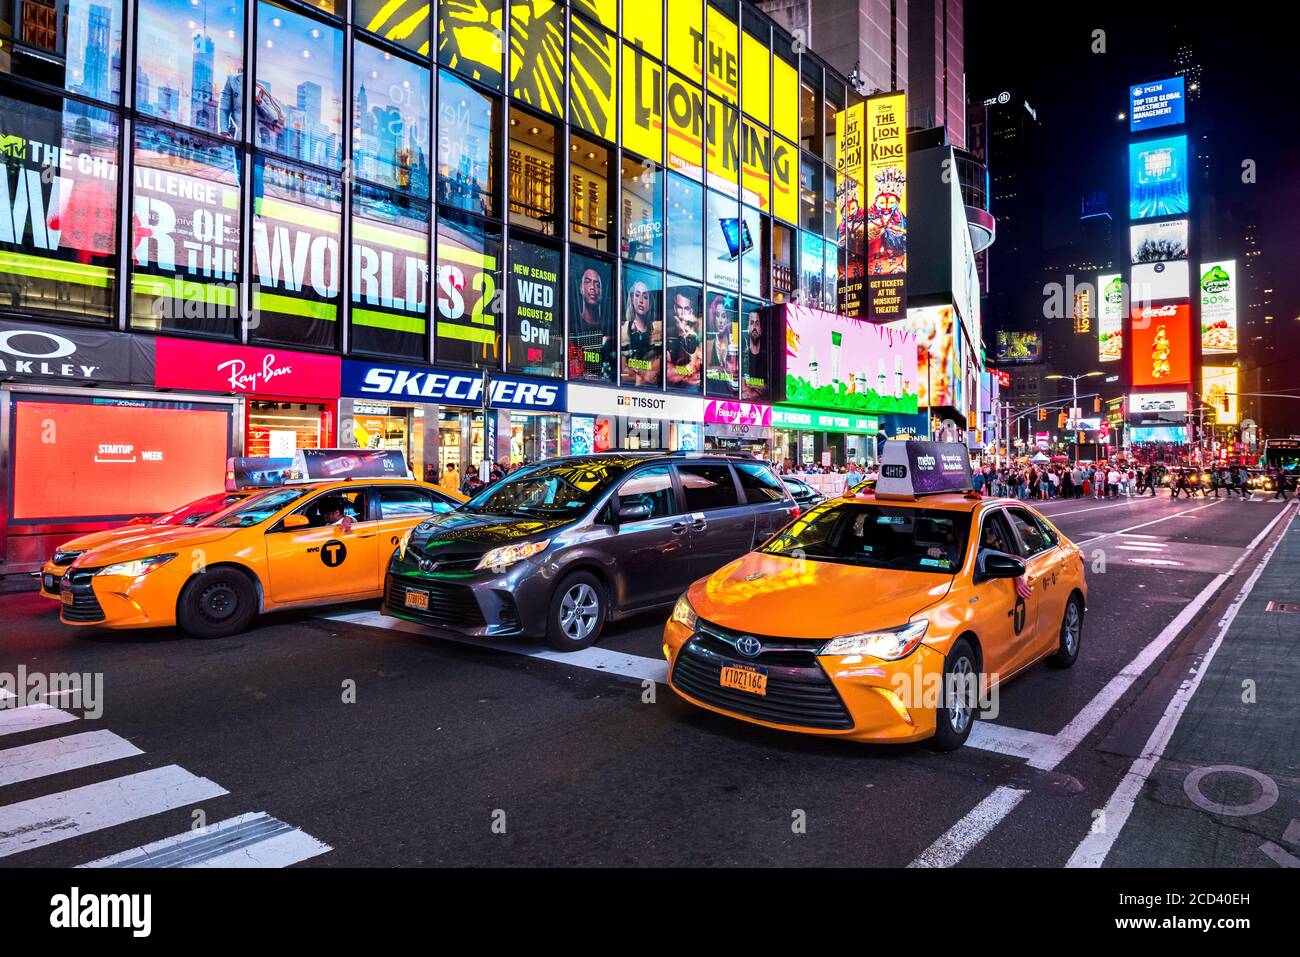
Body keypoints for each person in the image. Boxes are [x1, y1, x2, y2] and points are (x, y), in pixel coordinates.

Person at [621, 280, 663, 386]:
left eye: (645, 297)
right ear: (632, 299)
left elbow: (656, 372)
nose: (641, 301)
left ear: (650, 303)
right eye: (637, 295)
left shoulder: (656, 331)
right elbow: (623, 371)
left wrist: (637, 372)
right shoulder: (624, 329)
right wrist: (644, 375)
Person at [665, 291, 703, 387]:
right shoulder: (667, 332)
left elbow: (699, 370)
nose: (682, 313)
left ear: (690, 311)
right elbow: (668, 372)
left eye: (686, 309)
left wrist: (681, 372)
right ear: (674, 308)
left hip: (693, 392)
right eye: (679, 307)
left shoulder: (697, 335)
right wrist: (689, 370)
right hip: (672, 391)